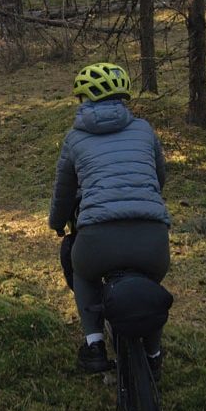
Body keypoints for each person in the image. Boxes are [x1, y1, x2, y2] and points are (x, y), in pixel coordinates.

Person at [48, 62, 171, 375]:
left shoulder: (75, 139)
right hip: (151, 239)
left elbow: (64, 193)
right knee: (150, 284)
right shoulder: (144, 129)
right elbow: (160, 177)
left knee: (83, 271)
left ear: (84, 100)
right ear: (122, 97)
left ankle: (94, 345)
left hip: (98, 239)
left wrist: (56, 223)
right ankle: (154, 354)